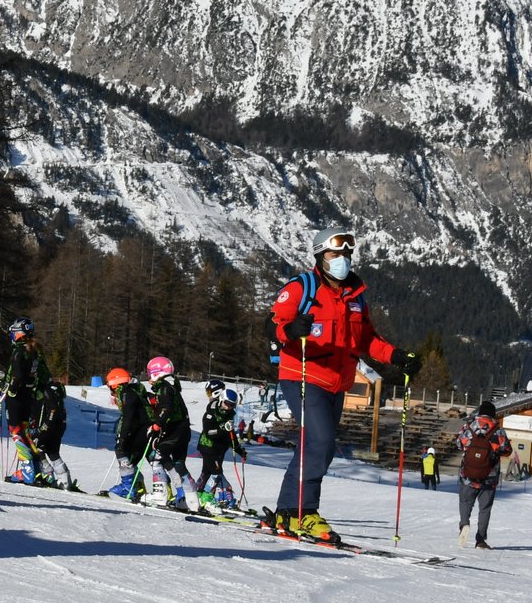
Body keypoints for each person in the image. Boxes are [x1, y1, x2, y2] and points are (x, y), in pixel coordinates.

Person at [268, 225, 420, 542]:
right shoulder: (302, 287)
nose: (343, 259)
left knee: (318, 449)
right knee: (320, 442)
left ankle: (287, 511)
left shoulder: (355, 298)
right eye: (336, 253)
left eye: (347, 254)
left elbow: (366, 339)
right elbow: (275, 325)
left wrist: (396, 356)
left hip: (338, 384)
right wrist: (292, 329)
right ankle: (303, 513)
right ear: (321, 256)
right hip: (303, 375)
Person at [456, 400, 513, 549]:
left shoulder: (468, 427)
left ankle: (464, 524)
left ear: (480, 412)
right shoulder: (498, 431)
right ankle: (480, 539)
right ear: (493, 414)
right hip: (489, 477)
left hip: (468, 475)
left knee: (465, 502)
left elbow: (458, 444)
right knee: (485, 508)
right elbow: (507, 450)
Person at [144, 356, 198, 510]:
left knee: (157, 458)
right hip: (183, 431)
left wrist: (157, 424)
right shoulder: (171, 387)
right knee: (179, 464)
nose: (148, 378)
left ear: (157, 373)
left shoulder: (165, 388)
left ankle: (159, 496)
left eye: (149, 373)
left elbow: (165, 408)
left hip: (174, 431)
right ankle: (190, 499)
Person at [1, 316, 50, 484]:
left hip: (17, 397)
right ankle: (37, 468)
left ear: (19, 333)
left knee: (16, 432)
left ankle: (27, 470)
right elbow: (44, 376)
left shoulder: (20, 350)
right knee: (25, 431)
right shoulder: (36, 350)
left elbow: (17, 375)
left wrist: (12, 390)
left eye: (13, 333)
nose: (11, 337)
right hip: (29, 397)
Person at [194, 382, 247, 513]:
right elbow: (208, 431)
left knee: (206, 472)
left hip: (219, 448)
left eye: (231, 405)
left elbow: (231, 435)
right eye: (226, 403)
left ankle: (198, 496)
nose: (228, 407)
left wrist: (239, 450)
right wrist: (222, 428)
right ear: (221, 399)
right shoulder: (212, 410)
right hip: (208, 446)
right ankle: (207, 499)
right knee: (216, 473)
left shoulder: (230, 414)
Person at [105, 367, 153, 499]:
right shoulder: (132, 390)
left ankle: (128, 487)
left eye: (110, 386)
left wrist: (123, 437)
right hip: (144, 428)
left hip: (142, 429)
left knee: (121, 451)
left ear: (115, 383)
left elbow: (128, 417)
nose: (111, 390)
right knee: (132, 459)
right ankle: (137, 487)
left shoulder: (126, 393)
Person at [31, 378, 74, 490]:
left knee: (35, 446)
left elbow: (52, 411)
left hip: (50, 426)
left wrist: (44, 427)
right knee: (53, 453)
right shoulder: (58, 395)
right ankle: (65, 481)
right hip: (59, 427)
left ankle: (46, 475)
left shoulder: (46, 390)